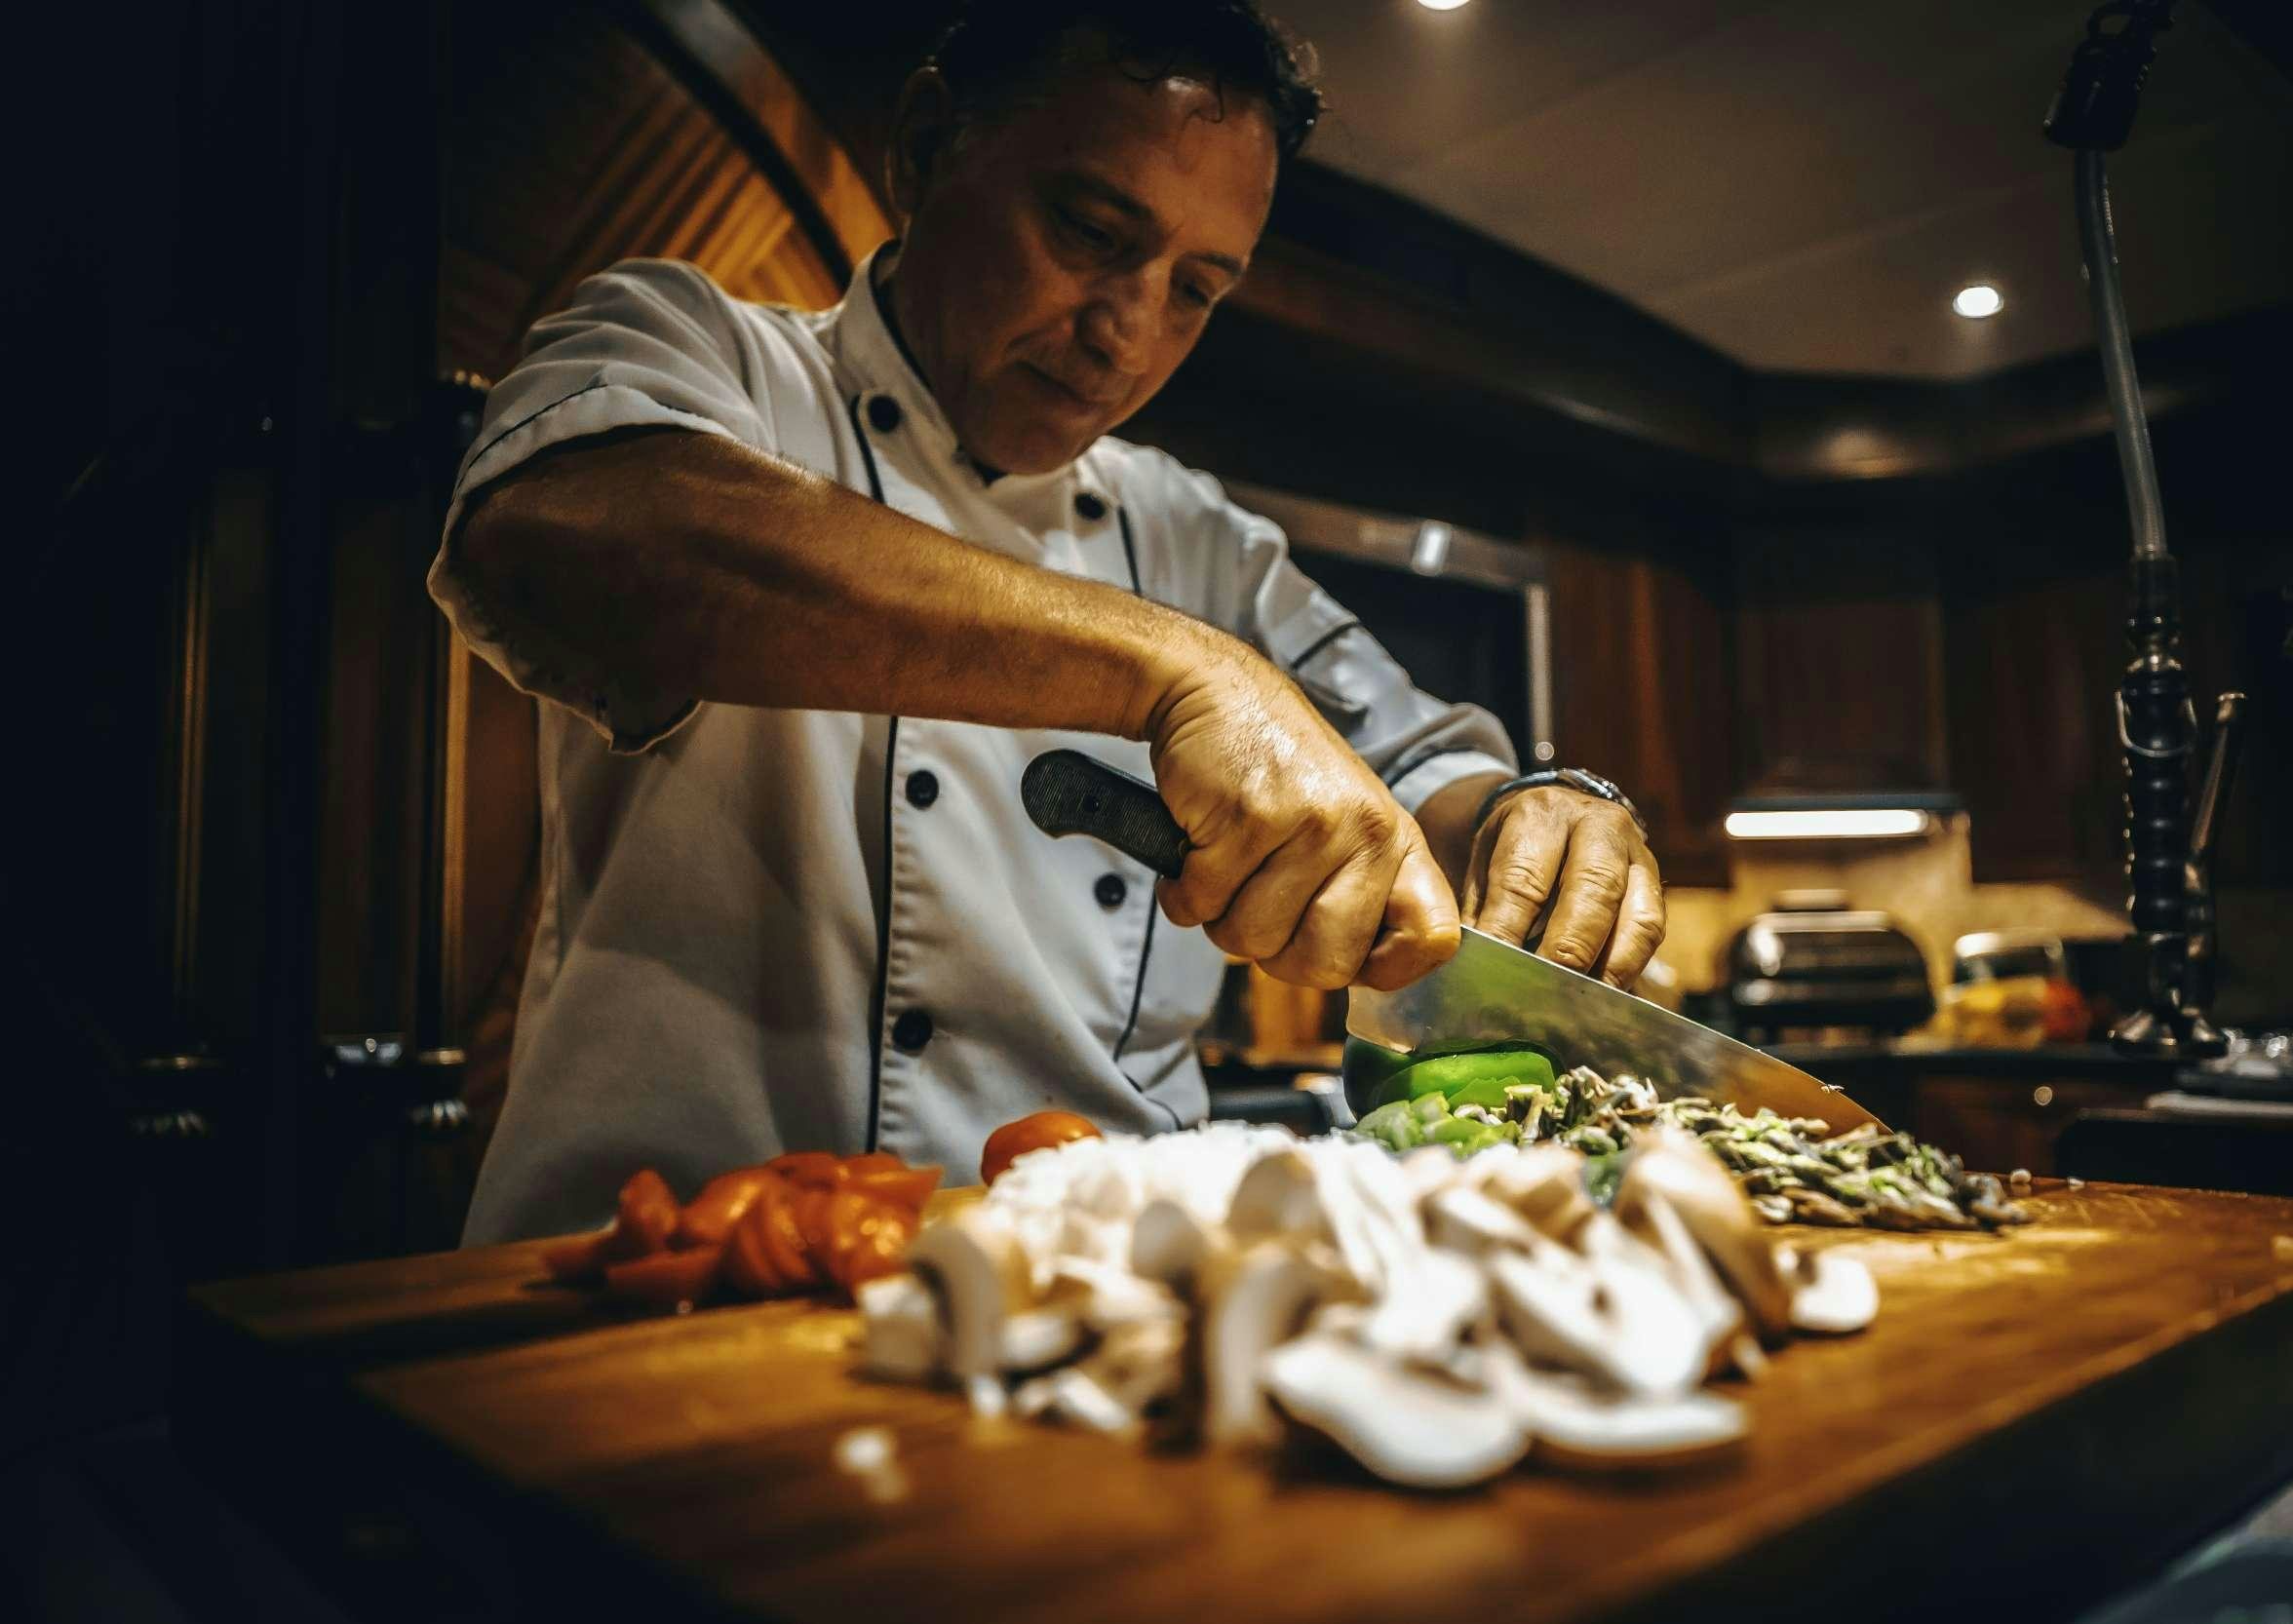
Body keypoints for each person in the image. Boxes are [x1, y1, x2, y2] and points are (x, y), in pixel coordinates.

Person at [432, 0, 1664, 1243]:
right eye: (1088, 230)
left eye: (1196, 290)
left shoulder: (1194, 535)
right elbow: (558, 526)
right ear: (923, 147)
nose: (1128, 332)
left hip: (1099, 1289)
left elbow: (1420, 765)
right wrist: (1169, 669)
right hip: (668, 1282)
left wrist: (1534, 811)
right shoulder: (701, 355)